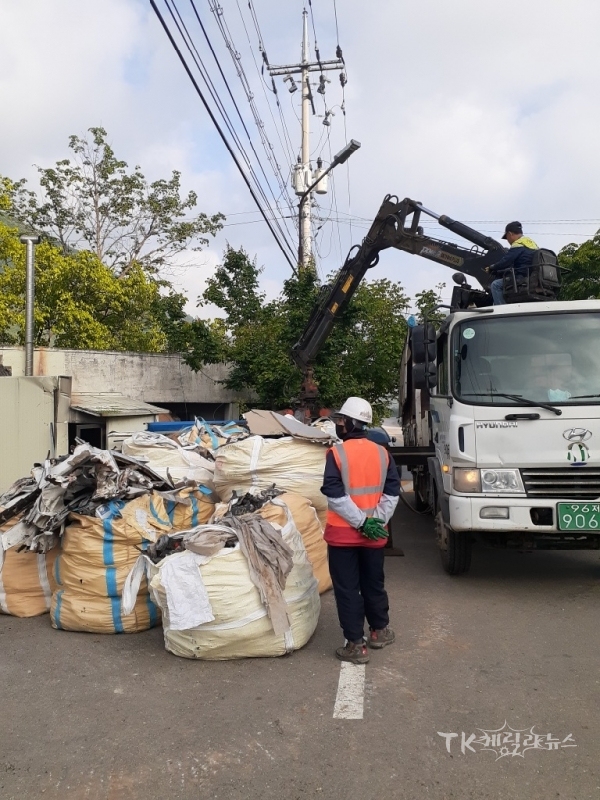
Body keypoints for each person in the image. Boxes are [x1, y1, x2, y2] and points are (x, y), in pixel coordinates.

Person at [320, 397, 400, 664]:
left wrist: (360, 522)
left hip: (343, 537)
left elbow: (334, 494)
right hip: (373, 538)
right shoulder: (382, 454)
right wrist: (373, 522)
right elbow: (391, 493)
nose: (339, 425)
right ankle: (379, 631)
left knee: (347, 589)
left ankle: (356, 645)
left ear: (352, 423)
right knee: (373, 584)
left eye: (341, 420)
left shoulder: (337, 454)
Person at [488, 221, 539, 305]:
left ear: (510, 234)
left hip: (521, 278)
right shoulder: (531, 243)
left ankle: (501, 311)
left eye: (507, 237)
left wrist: (492, 267)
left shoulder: (518, 244)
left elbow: (505, 262)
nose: (507, 240)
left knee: (495, 285)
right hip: (531, 276)